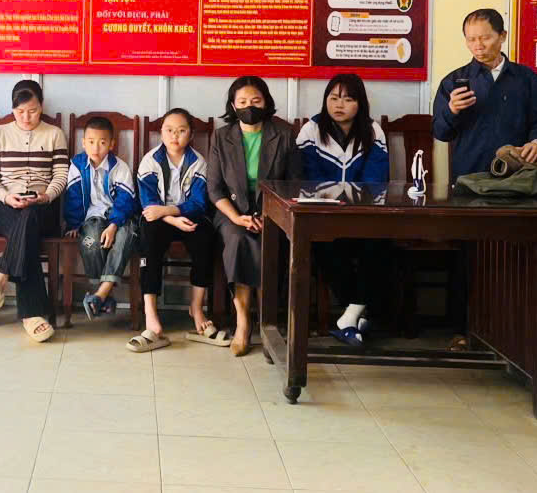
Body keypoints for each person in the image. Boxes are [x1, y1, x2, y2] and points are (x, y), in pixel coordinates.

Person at [208, 76, 302, 356]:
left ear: (266, 102)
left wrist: (268, 215)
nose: (249, 107)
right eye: (242, 102)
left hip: (273, 212)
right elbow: (214, 188)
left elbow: (294, 184)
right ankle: (244, 321)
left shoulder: (284, 134)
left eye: (256, 101)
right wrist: (238, 217)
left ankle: (267, 321)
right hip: (231, 213)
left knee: (265, 240)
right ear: (233, 106)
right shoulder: (221, 137)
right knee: (239, 239)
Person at [296, 73, 390, 347]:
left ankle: (348, 318)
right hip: (322, 216)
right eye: (334, 98)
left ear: (360, 103)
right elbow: (307, 177)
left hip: (363, 215)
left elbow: (376, 179)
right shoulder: (311, 130)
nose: (339, 105)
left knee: (380, 245)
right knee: (327, 247)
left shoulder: (372, 131)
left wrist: (355, 207)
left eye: (348, 99)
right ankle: (357, 316)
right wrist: (335, 203)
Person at [0, 80, 69, 343]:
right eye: (20, 112)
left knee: (30, 218)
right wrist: (6, 196)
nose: (26, 117)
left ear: (42, 107)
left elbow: (62, 174)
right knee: (26, 230)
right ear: (12, 109)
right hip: (7, 206)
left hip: (43, 206)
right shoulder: (0, 133)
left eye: (33, 111)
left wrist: (45, 195)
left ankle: (0, 278)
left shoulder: (54, 134)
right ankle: (32, 315)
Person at [128, 108, 221, 353]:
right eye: (169, 130)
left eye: (181, 131)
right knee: (149, 237)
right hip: (159, 220)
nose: (175, 136)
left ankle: (196, 307)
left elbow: (199, 203)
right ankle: (150, 312)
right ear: (161, 132)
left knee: (205, 237)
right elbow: (149, 206)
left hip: (187, 217)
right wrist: (170, 218)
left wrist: (171, 212)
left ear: (191, 135)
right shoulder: (150, 161)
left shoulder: (198, 162)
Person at [433, 8, 537, 179]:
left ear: (502, 36)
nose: (478, 46)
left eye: (485, 38)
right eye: (471, 39)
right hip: (469, 175)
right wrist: (452, 110)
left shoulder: (527, 78)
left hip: (519, 173)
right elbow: (440, 133)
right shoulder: (452, 81)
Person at [63, 116, 138, 320]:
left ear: (111, 144)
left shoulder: (119, 167)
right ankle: (104, 295)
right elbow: (73, 197)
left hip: (120, 220)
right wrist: (73, 224)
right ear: (83, 142)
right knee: (90, 242)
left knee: (124, 237)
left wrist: (113, 225)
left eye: (102, 142)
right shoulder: (77, 165)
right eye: (91, 141)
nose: (96, 148)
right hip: (91, 220)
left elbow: (125, 201)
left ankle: (99, 295)